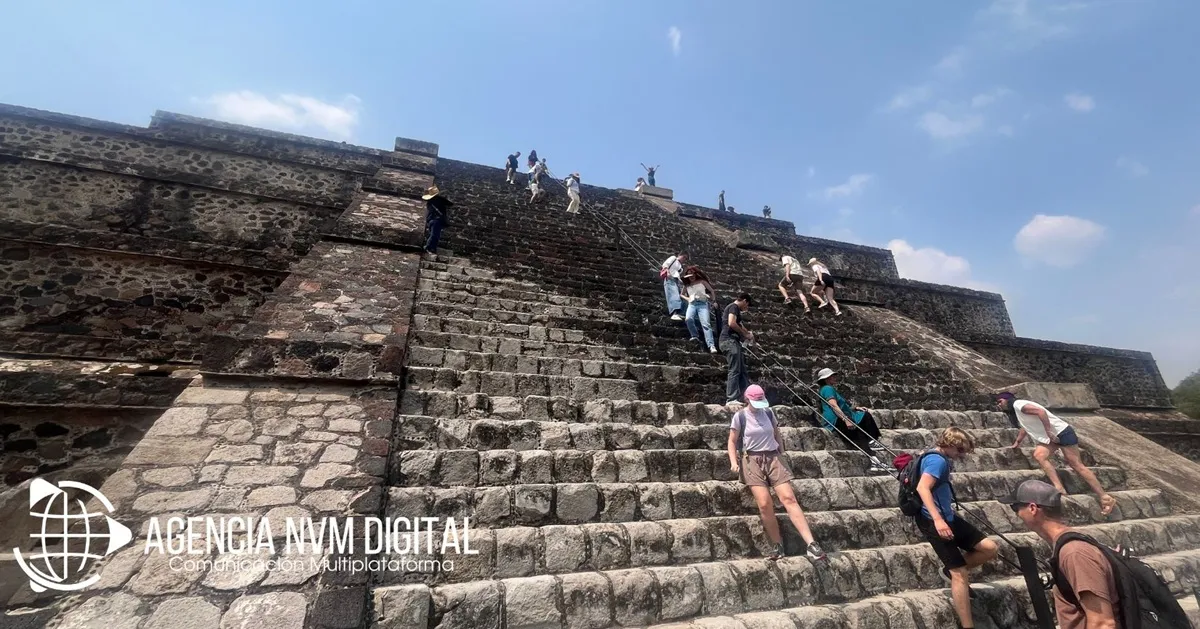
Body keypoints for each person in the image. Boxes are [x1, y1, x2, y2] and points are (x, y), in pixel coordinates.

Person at [728, 384, 828, 562]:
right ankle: (777, 545)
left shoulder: (768, 413)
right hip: (751, 459)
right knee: (765, 504)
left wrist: (781, 452)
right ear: (747, 400)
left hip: (773, 457)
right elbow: (732, 441)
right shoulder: (740, 416)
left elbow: (776, 433)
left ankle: (811, 544)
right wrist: (734, 462)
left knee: (789, 498)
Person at [915, 427, 999, 629]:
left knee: (989, 548)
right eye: (960, 451)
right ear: (951, 445)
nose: (961, 456)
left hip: (948, 516)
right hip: (934, 520)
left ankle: (947, 570)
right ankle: (968, 625)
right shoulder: (937, 460)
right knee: (960, 574)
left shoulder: (933, 455)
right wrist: (938, 520)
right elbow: (922, 488)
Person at [1009, 480, 1122, 629]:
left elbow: (1103, 623)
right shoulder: (1069, 546)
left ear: (1032, 508)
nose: (1017, 514)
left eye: (1015, 508)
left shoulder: (1074, 553)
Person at [996, 392, 1116, 516]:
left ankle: (1105, 497)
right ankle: (1059, 487)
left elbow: (1041, 412)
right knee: (1039, 455)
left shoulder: (1018, 404)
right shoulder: (1018, 410)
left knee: (1076, 465)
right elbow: (1026, 426)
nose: (999, 404)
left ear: (1007, 399)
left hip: (1061, 432)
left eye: (1000, 401)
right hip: (1051, 437)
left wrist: (1048, 431)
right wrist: (1017, 442)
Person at [814, 368, 888, 472]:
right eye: (831, 376)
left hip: (837, 418)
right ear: (826, 379)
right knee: (865, 417)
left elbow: (842, 405)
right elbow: (833, 405)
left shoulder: (827, 389)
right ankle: (873, 442)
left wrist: (855, 408)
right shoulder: (827, 389)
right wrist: (846, 419)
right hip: (837, 419)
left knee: (860, 435)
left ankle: (875, 461)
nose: (834, 378)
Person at [720, 293, 754, 406]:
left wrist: (748, 334)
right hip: (729, 341)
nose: (746, 308)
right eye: (747, 305)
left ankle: (748, 397)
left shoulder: (735, 310)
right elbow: (732, 323)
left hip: (733, 342)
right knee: (734, 369)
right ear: (744, 301)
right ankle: (731, 398)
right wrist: (745, 334)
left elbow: (740, 325)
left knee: (742, 370)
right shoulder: (734, 307)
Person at [680, 266, 718, 354]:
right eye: (689, 275)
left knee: (706, 324)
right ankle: (694, 335)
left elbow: (711, 291)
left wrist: (714, 301)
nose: (691, 277)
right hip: (692, 304)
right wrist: (688, 298)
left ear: (696, 275)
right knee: (688, 319)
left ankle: (711, 345)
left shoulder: (702, 281)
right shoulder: (687, 285)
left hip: (703, 304)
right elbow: (681, 294)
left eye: (693, 275)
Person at [421, 185, 453, 254]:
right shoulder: (438, 201)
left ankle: (432, 248)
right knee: (435, 235)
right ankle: (428, 247)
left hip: (432, 220)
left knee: (435, 235)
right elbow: (450, 204)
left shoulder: (430, 202)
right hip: (436, 220)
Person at [659, 253, 687, 320]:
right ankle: (674, 314)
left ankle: (681, 313)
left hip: (676, 280)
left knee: (682, 296)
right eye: (684, 257)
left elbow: (677, 274)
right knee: (674, 295)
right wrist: (667, 272)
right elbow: (665, 264)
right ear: (680, 255)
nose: (684, 259)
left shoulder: (680, 267)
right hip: (670, 278)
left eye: (686, 258)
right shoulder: (673, 258)